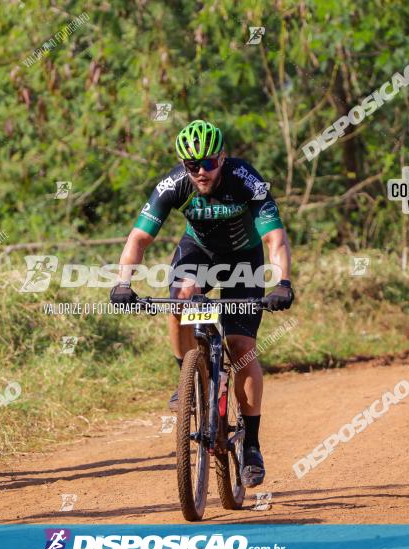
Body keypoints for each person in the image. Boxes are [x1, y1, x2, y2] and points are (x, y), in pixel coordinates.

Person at [109, 119, 294, 488]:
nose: (202, 171)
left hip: (245, 259)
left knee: (241, 347)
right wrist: (123, 282)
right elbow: (138, 238)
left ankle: (253, 446)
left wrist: (283, 283)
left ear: (222, 158)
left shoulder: (245, 179)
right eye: (193, 165)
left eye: (209, 163)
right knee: (178, 300)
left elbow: (274, 238)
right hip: (200, 253)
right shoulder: (175, 184)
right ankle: (186, 374)